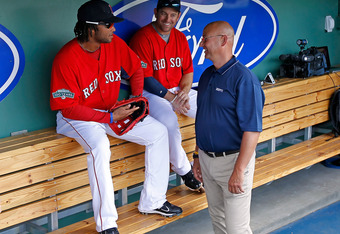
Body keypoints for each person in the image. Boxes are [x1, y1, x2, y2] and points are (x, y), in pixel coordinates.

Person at [50, 1, 182, 233]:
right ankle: (107, 223)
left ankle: (153, 201)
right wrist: (110, 118)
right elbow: (68, 107)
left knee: (158, 132)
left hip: (113, 109)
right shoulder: (66, 58)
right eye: (108, 24)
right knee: (100, 147)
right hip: (79, 117)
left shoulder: (115, 44)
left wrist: (135, 97)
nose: (114, 28)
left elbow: (136, 69)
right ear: (91, 29)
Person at [192, 21, 265, 234]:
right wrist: (197, 156)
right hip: (207, 159)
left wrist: (239, 170)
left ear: (223, 40)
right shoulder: (206, 76)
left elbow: (252, 129)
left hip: (233, 161)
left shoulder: (244, 78)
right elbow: (203, 119)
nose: (201, 44)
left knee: (236, 229)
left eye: (205, 39)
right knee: (219, 222)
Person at [129, 0, 202, 192]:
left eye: (172, 15)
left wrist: (184, 93)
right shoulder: (142, 38)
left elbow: (187, 71)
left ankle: (203, 158)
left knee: (209, 109)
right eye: (163, 13)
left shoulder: (179, 38)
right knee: (169, 123)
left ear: (178, 16)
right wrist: (172, 98)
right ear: (155, 12)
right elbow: (144, 78)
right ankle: (185, 171)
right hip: (152, 93)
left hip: (177, 90)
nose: (167, 19)